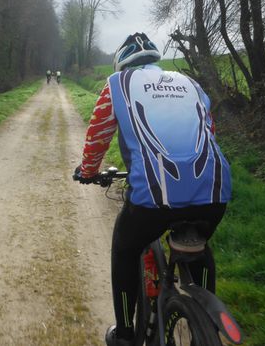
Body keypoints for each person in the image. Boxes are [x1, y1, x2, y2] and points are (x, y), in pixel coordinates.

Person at [73, 32, 231, 346]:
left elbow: (98, 135)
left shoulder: (117, 84)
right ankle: (204, 318)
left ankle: (125, 334)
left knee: (124, 248)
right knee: (199, 245)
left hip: (153, 201)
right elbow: (209, 130)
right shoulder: (191, 84)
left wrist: (88, 171)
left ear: (121, 63)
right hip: (213, 192)